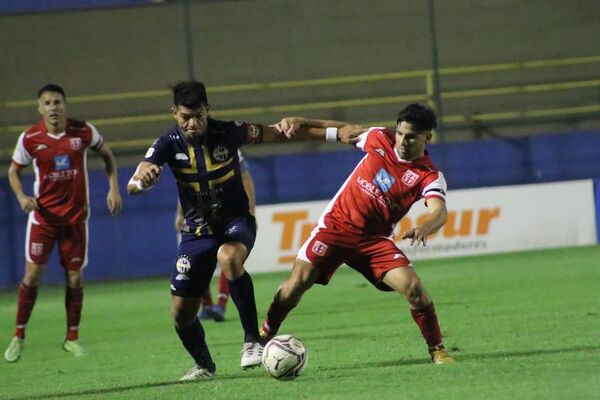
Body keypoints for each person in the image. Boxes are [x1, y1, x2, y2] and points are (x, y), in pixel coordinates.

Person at [127, 81, 347, 381]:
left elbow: (274, 133)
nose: (193, 123)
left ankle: (252, 341)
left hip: (235, 221)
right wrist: (142, 182)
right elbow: (135, 182)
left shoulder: (228, 132)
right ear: (174, 114)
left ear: (208, 110)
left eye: (199, 115)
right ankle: (204, 365)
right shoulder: (166, 143)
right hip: (196, 232)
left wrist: (317, 130)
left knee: (229, 258)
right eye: (185, 117)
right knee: (181, 314)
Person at [261, 103, 454, 365]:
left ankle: (437, 350)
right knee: (295, 286)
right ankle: (264, 334)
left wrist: (425, 227)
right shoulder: (378, 138)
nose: (402, 140)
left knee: (414, 289)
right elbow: (341, 131)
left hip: (374, 242)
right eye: (400, 133)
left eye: (411, 136)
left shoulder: (428, 175)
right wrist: (301, 122)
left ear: (427, 137)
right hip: (335, 228)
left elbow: (439, 211)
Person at [4, 84, 123, 363]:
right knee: (32, 276)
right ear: (40, 108)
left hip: (75, 219)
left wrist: (113, 188)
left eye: (57, 102)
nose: (53, 107)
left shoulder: (83, 131)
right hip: (43, 219)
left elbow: (107, 155)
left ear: (65, 105)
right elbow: (13, 170)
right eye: (47, 103)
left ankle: (72, 338)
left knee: (75, 277)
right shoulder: (30, 138)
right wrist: (22, 196)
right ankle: (19, 336)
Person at [174, 149, 256, 322]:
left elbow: (246, 178)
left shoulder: (225, 146)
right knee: (197, 262)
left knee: (226, 258)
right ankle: (207, 306)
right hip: (198, 218)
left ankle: (220, 304)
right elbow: (185, 186)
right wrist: (180, 214)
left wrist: (250, 212)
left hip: (228, 215)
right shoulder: (185, 151)